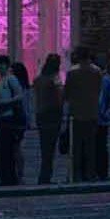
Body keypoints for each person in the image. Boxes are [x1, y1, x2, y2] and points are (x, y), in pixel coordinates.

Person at [63, 47, 102, 182]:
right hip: (92, 112)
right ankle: (90, 173)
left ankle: (76, 174)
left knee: (76, 147)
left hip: (76, 113)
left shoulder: (72, 72)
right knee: (91, 147)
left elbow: (66, 93)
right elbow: (99, 90)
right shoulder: (97, 71)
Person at [0, 55, 25, 186]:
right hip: (0, 118)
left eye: (0, 64)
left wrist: (5, 103)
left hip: (8, 118)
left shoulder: (11, 79)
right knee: (1, 150)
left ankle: (9, 178)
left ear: (6, 65)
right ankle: (5, 178)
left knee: (6, 150)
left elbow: (19, 96)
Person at [33, 54, 65, 185]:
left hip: (40, 115)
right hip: (52, 115)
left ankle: (44, 175)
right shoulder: (54, 81)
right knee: (50, 149)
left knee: (44, 148)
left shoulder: (38, 80)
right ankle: (45, 176)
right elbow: (59, 100)